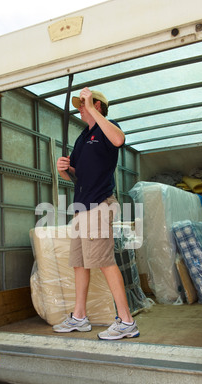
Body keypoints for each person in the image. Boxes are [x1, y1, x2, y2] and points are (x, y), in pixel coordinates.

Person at [54, 87, 139, 340]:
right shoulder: (83, 138)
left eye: (83, 104)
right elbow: (76, 174)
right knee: (79, 264)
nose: (79, 108)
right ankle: (79, 318)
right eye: (81, 104)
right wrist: (63, 170)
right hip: (81, 207)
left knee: (104, 261)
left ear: (97, 105)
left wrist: (91, 107)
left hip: (99, 206)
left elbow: (119, 140)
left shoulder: (107, 128)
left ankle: (127, 321)